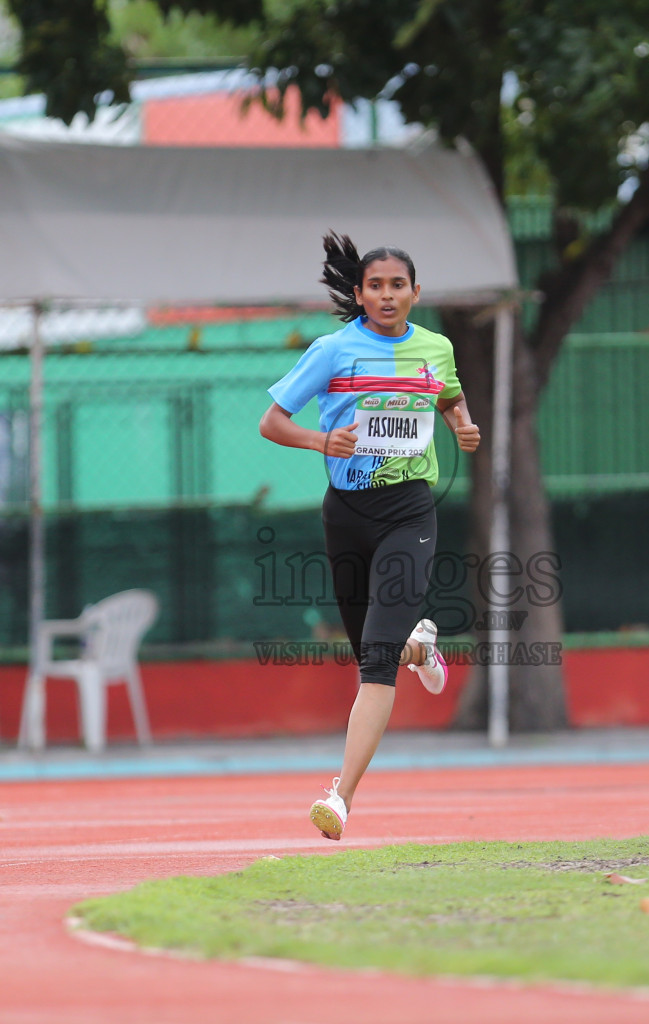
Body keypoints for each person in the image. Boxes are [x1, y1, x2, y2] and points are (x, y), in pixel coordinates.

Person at [259, 232, 480, 840]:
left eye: (398, 285)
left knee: (374, 665)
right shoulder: (333, 351)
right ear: (358, 294)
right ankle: (421, 646)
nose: (387, 295)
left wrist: (462, 424)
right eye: (375, 286)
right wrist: (319, 441)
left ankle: (341, 796)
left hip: (410, 512)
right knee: (374, 651)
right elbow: (271, 420)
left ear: (415, 293)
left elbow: (450, 397)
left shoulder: (436, 348)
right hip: (347, 516)